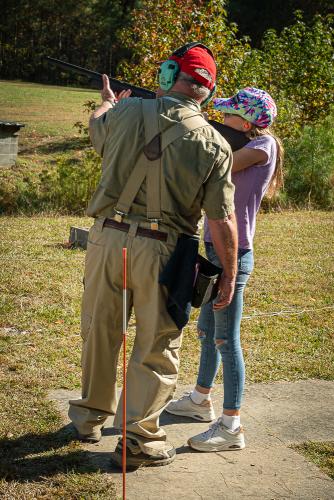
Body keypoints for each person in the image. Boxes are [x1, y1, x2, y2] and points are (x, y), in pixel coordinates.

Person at [68, 42, 239, 469]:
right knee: (158, 345)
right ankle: (138, 436)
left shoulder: (123, 113)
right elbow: (221, 220)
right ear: (208, 90)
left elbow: (98, 133)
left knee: (100, 329)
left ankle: (90, 418)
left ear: (167, 74)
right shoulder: (216, 144)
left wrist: (106, 104)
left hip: (107, 240)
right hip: (165, 252)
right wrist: (230, 273)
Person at [166, 87, 284, 452]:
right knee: (206, 330)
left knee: (226, 340)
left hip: (234, 251)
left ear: (247, 122)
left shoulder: (263, 147)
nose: (222, 118)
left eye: (229, 114)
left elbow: (218, 161)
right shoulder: (245, 142)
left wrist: (195, 126)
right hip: (213, 246)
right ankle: (201, 400)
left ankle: (231, 425)